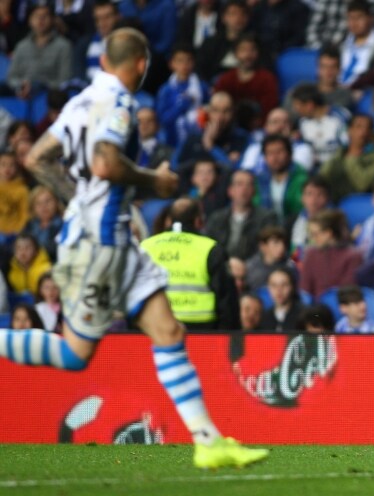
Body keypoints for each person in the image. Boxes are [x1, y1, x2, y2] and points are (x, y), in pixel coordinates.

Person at [5, 28, 267, 468]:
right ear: (141, 64)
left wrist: (79, 202)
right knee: (74, 354)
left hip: (116, 238)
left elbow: (36, 158)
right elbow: (106, 162)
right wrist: (155, 181)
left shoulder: (81, 100)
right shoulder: (122, 103)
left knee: (168, 332)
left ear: (105, 60)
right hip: (102, 245)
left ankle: (208, 442)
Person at [141, 198, 240, 331]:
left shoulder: (145, 247)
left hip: (154, 326)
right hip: (201, 330)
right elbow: (227, 301)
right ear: (198, 221)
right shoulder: (210, 248)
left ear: (168, 220)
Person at [204, 170, 280, 261]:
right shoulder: (216, 218)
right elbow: (206, 247)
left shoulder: (267, 218)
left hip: (253, 270)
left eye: (249, 185)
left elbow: (268, 250)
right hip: (221, 268)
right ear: (230, 191)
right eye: (239, 184)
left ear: (254, 191)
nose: (244, 189)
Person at [259, 267, 304, 332]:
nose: (279, 290)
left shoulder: (302, 316)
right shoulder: (263, 318)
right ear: (268, 288)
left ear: (292, 287)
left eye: (284, 285)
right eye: (274, 285)